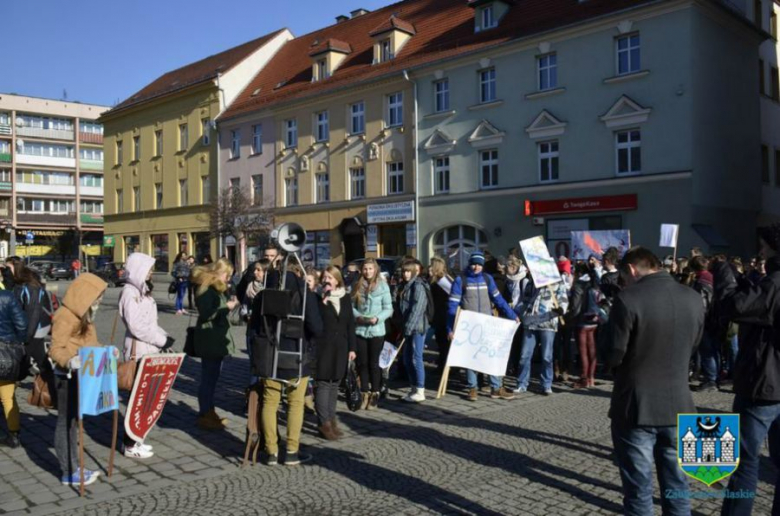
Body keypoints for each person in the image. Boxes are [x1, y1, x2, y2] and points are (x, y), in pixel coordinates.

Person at [608, 247, 704, 515]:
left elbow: (615, 354)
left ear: (630, 270)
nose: (623, 283)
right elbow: (694, 345)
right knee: (678, 487)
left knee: (639, 491)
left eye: (623, 277)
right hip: (680, 404)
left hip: (637, 407)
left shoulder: (628, 299)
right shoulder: (694, 298)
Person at [715, 224, 780, 515]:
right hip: (771, 382)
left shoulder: (776, 282)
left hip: (763, 384)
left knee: (745, 460)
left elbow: (735, 307)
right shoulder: (770, 283)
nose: (760, 252)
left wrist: (726, 278)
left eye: (764, 246)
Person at [251, 267, 323, 465]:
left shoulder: (264, 294)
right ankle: (292, 451)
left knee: (270, 402)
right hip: (297, 355)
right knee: (295, 403)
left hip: (269, 356)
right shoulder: (304, 294)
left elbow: (253, 326)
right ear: (297, 273)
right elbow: (317, 328)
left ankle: (272, 452)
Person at [49, 273, 108, 486]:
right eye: (97, 297)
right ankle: (69, 471)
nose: (99, 302)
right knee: (66, 423)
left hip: (83, 376)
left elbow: (91, 344)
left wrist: (107, 352)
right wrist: (69, 360)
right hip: (66, 376)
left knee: (74, 422)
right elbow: (56, 348)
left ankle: (74, 465)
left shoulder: (85, 316)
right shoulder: (65, 316)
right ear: (85, 295)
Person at [118, 253, 173, 458]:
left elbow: (151, 323)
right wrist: (160, 340)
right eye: (149, 268)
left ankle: (137, 439)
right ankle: (129, 443)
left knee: (147, 399)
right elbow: (137, 326)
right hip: (139, 351)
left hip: (149, 350)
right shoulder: (129, 292)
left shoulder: (142, 290)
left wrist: (165, 338)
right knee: (138, 400)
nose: (151, 272)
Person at [448, 251, 518, 401]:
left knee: (491, 356)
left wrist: (513, 315)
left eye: (479, 264)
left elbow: (499, 300)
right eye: (474, 264)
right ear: (469, 264)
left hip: (488, 324)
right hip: (469, 326)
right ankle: (472, 388)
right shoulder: (461, 280)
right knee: (471, 358)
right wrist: (450, 328)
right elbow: (452, 307)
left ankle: (495, 388)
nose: (476, 267)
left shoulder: (487, 279)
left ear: (482, 265)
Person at [192, 259, 238, 430]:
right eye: (228, 275)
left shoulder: (216, 288)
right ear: (220, 272)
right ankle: (205, 413)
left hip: (215, 337)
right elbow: (207, 313)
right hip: (209, 338)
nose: (229, 279)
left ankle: (209, 411)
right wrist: (226, 306)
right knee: (208, 379)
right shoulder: (206, 289)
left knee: (212, 377)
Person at [315, 266, 355, 440]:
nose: (327, 280)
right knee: (324, 384)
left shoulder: (345, 297)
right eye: (325, 277)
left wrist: (352, 348)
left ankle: (332, 420)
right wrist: (323, 303)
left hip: (341, 346)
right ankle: (324, 423)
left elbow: (350, 324)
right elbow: (316, 324)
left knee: (335, 383)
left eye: (331, 277)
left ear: (337, 280)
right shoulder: (319, 298)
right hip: (324, 347)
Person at [516, 269, 569, 395]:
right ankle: (522, 383)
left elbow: (563, 299)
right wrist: (522, 313)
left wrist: (561, 309)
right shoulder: (531, 282)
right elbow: (524, 299)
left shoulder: (557, 282)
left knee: (546, 356)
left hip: (548, 322)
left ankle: (546, 384)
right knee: (524, 355)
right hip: (531, 322)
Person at [12, 262, 57, 408]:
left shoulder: (30, 288)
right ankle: (54, 391)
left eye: (8, 268)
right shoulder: (24, 286)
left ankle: (54, 392)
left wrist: (26, 336)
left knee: (26, 361)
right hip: (33, 330)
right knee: (36, 360)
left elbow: (33, 313)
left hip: (33, 331)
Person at [352, 258, 393, 410]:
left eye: (370, 268)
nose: (367, 271)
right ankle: (364, 392)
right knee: (362, 363)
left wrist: (378, 318)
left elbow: (388, 308)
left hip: (376, 329)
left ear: (375, 269)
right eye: (365, 269)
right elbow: (351, 306)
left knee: (374, 364)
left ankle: (375, 393)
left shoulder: (383, 286)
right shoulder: (357, 285)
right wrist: (358, 317)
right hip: (360, 328)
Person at [0, 284, 28, 448]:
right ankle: (14, 435)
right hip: (6, 352)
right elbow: (22, 324)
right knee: (8, 397)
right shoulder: (8, 296)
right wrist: (18, 342)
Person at [566, 262, 602, 389]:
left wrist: (571, 319)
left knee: (583, 352)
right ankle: (591, 378)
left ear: (578, 272)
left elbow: (575, 307)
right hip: (593, 320)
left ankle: (584, 378)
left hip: (581, 321)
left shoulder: (578, 285)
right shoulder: (594, 281)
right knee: (592, 350)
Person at [398, 261, 429, 403]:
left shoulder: (418, 286)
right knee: (406, 358)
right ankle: (413, 387)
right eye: (404, 271)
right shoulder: (405, 286)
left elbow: (418, 308)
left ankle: (420, 389)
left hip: (417, 327)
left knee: (416, 358)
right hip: (407, 327)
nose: (406, 274)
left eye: (408, 271)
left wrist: (409, 327)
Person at [428, 257, 453, 376]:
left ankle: (446, 368)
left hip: (443, 316)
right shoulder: (435, 281)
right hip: (438, 316)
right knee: (441, 342)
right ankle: (442, 365)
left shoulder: (443, 281)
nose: (429, 268)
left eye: (431, 265)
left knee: (444, 343)